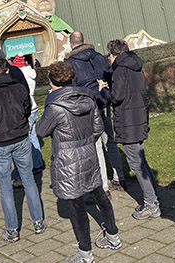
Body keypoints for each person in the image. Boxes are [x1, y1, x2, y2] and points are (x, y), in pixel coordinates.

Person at [37, 62, 121, 263]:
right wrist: (84, 143)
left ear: (52, 81)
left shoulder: (55, 107)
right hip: (88, 155)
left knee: (76, 206)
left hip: (68, 160)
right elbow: (98, 127)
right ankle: (113, 237)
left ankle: (85, 253)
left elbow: (41, 131)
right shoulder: (89, 100)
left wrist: (50, 99)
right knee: (100, 196)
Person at [0, 58, 46, 242]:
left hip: (1, 141)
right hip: (17, 138)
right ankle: (37, 222)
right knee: (28, 180)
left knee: (6, 186)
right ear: (7, 71)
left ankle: (13, 230)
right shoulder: (19, 89)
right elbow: (27, 110)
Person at [99, 39, 159, 219]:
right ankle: (153, 197)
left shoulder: (120, 70)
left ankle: (151, 204)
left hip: (128, 122)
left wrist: (103, 90)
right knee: (142, 161)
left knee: (137, 164)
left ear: (113, 55)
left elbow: (116, 97)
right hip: (138, 119)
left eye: (109, 56)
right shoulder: (134, 67)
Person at [66, 31, 126, 194]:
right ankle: (119, 177)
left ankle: (104, 187)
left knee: (96, 145)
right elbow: (111, 76)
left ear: (71, 44)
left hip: (88, 107)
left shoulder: (70, 63)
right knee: (110, 140)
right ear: (84, 41)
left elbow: (72, 88)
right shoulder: (99, 56)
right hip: (104, 101)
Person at [10, 52, 45, 187]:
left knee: (25, 139)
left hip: (27, 107)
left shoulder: (20, 74)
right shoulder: (31, 72)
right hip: (34, 106)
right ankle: (37, 163)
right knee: (33, 136)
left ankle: (27, 168)